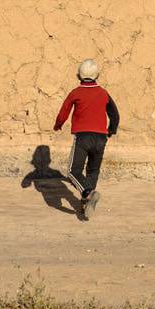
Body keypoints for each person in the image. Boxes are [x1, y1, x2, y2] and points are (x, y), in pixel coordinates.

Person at [53, 59, 119, 220]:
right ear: (98, 75)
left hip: (83, 137)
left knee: (72, 171)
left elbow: (64, 112)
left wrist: (58, 124)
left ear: (78, 75)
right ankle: (86, 203)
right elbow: (114, 114)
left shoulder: (76, 92)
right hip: (101, 138)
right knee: (93, 171)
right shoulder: (103, 93)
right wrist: (111, 130)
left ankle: (88, 193)